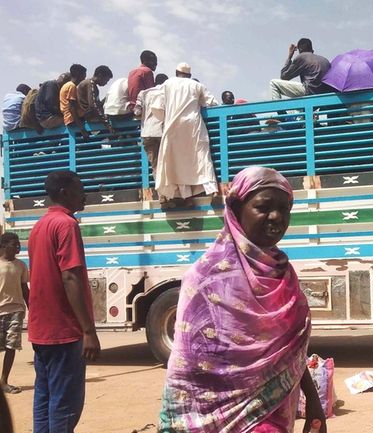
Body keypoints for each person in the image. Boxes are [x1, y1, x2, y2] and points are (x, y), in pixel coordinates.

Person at [158, 166, 327, 433]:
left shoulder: (282, 274)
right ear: (236, 211)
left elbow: (290, 353)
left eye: (285, 209)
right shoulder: (204, 278)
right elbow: (186, 374)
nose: (277, 217)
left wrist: (314, 405)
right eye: (264, 207)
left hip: (276, 413)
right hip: (217, 421)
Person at [27, 170, 100, 433]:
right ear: (64, 193)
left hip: (41, 330)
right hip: (64, 331)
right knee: (66, 405)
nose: (84, 195)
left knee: (45, 399)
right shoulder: (66, 225)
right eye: (79, 189)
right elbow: (70, 277)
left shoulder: (39, 226)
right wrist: (88, 331)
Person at [153, 63, 219, 204]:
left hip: (172, 127)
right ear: (189, 75)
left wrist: (166, 117)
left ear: (176, 72)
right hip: (193, 125)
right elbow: (212, 103)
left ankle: (183, 193)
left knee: (176, 162)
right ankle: (211, 188)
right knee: (201, 156)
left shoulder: (167, 84)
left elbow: (157, 107)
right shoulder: (196, 85)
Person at [0, 233, 29, 395]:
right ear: (4, 246)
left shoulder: (21, 266)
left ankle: (4, 381)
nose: (18, 246)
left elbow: (25, 289)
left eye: (19, 244)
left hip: (16, 311)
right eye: (14, 244)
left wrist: (32, 307)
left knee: (11, 346)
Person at [135, 73, 169, 178]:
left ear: (155, 82)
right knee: (167, 163)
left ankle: (160, 192)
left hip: (147, 133)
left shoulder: (143, 93)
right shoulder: (167, 93)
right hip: (162, 132)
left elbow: (137, 112)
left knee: (154, 164)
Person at [76, 65, 115, 133]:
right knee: (114, 121)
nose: (106, 83)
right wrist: (106, 124)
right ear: (100, 76)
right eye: (106, 80)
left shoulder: (91, 84)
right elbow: (93, 105)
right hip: (88, 115)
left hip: (87, 115)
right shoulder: (90, 84)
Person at [60, 64, 89, 140]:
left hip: (70, 119)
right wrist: (82, 128)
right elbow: (71, 107)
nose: (84, 78)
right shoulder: (71, 86)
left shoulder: (67, 85)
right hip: (73, 119)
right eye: (84, 75)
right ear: (78, 74)